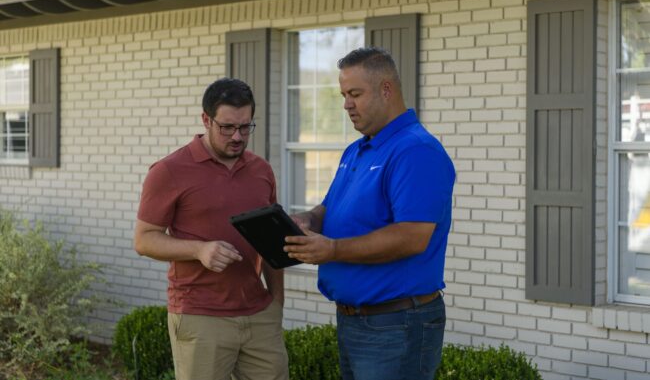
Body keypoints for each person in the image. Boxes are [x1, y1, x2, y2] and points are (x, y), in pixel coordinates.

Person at [285, 47, 455, 380]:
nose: (347, 103)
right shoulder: (358, 149)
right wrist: (307, 220)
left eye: (355, 94)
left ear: (386, 90)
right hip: (356, 321)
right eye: (344, 95)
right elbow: (329, 209)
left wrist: (333, 250)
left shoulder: (415, 151)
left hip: (396, 324)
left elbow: (412, 237)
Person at [134, 78, 288, 380]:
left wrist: (277, 303)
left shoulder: (261, 170)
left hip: (258, 314)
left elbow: (272, 241)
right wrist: (199, 249)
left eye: (245, 127)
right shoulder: (169, 171)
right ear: (206, 120)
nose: (237, 136)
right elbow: (144, 240)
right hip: (200, 315)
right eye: (227, 127)